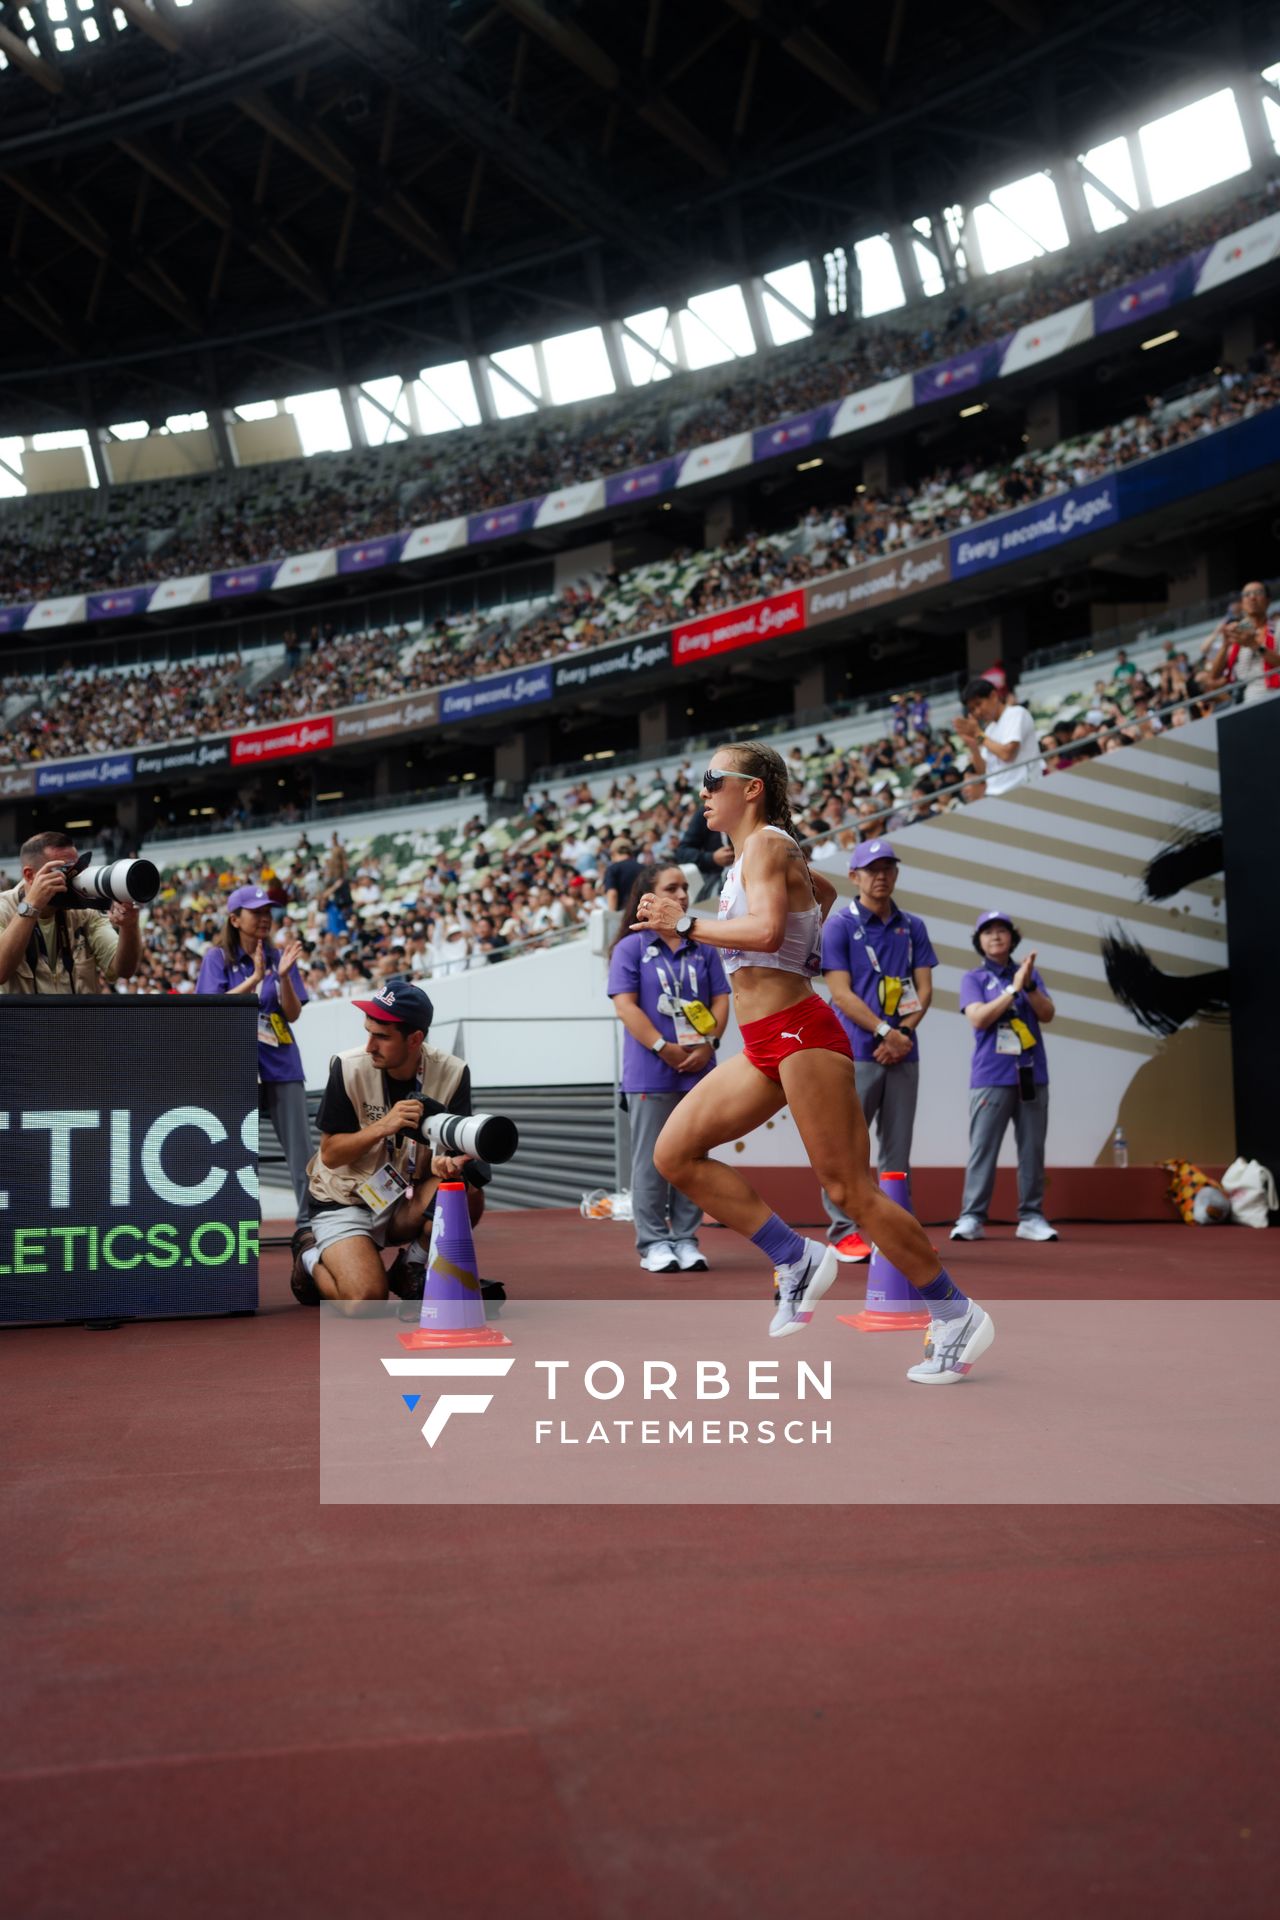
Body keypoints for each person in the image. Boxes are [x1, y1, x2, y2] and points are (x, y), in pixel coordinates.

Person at [633, 741, 993, 1383]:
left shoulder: (767, 845)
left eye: (713, 779)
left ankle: (955, 1312)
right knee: (674, 1155)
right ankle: (794, 1257)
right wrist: (804, 935)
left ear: (751, 789)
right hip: (763, 1042)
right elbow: (819, 893)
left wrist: (685, 924)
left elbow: (768, 931)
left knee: (850, 1190)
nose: (703, 792)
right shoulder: (756, 854)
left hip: (802, 1033)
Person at [289, 978, 488, 1304]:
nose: (369, 1046)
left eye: (381, 1036)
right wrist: (383, 1126)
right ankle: (309, 1255)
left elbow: (455, 1150)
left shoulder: (452, 1073)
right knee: (365, 1300)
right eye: (368, 1032)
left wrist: (449, 1164)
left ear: (415, 1039)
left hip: (401, 1199)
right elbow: (330, 1154)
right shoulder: (348, 1068)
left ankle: (411, 1265)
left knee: (470, 1192)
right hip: (344, 1200)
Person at [607, 864, 730, 1274]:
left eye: (684, 888)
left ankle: (686, 1239)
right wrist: (664, 1048)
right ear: (649, 895)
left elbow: (721, 999)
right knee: (650, 1162)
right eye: (671, 888)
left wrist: (709, 1044)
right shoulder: (631, 947)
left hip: (699, 1068)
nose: (681, 895)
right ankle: (654, 1243)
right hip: (650, 1071)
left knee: (694, 1157)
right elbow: (625, 1006)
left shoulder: (703, 945)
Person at [819, 840, 937, 1263]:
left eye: (888, 868)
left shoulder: (913, 926)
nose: (881, 876)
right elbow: (840, 993)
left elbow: (924, 989)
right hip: (854, 1051)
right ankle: (844, 1231)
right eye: (872, 869)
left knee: (897, 1150)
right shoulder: (838, 925)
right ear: (854, 876)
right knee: (846, 1147)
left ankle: (898, 1232)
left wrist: (901, 1034)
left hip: (904, 1052)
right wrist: (887, 1031)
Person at [195, 885, 313, 1229]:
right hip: (234, 1065)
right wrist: (256, 979)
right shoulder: (217, 958)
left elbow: (292, 1014)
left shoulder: (280, 957)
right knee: (236, 1149)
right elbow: (211, 1008)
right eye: (256, 912)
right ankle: (245, 1220)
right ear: (234, 919)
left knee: (301, 1148)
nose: (264, 918)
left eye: (267, 912)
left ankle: (309, 1223)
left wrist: (284, 977)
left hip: (282, 1062)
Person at [951, 910, 1058, 1244]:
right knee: (983, 1149)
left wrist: (1028, 985)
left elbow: (1048, 1014)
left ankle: (1031, 1216)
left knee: (1032, 1149)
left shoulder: (1029, 974)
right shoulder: (974, 978)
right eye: (988, 932)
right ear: (979, 941)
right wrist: (1013, 990)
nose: (996, 936)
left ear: (1012, 938)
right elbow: (978, 1018)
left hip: (1031, 1073)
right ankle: (971, 1217)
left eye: (1002, 930)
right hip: (991, 1075)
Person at [0, 829, 142, 995]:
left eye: (76, 868)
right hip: (24, 1013)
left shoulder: (84, 909)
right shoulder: (4, 908)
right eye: (63, 870)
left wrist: (129, 927)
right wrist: (31, 906)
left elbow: (123, 970)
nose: (72, 878)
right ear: (30, 875)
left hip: (79, 1012)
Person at [954, 679, 1039, 796]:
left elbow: (1007, 754)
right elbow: (982, 771)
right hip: (995, 794)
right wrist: (973, 745)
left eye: (979, 704)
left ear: (994, 696)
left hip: (1023, 790)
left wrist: (978, 734)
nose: (977, 712)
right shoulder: (989, 730)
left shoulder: (1016, 713)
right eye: (972, 709)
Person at [1204, 581, 1279, 704]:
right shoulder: (1236, 632)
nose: (1252, 597)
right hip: (1245, 700)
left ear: (1268, 600)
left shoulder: (1277, 628)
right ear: (1242, 603)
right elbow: (1213, 678)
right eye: (1247, 594)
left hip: (1273, 694)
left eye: (1258, 593)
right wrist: (1225, 644)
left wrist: (1254, 645)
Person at [603, 838, 643, 912]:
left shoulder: (612, 869)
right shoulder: (643, 867)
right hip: (643, 910)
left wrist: (612, 914)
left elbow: (612, 893)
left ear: (613, 853)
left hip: (624, 913)